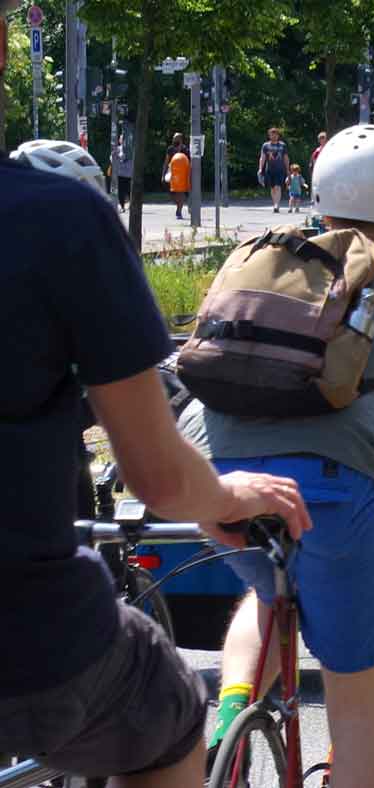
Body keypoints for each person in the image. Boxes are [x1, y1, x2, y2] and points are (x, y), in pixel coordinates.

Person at [188, 124, 374, 788]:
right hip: (332, 495)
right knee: (356, 699)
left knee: (267, 592)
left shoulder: (263, 256)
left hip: (219, 478)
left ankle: (228, 725)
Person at [2, 136, 312, 788]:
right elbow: (161, 474)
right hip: (27, 633)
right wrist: (230, 500)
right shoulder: (55, 217)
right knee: (168, 712)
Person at [257, 127, 290, 212]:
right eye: (272, 135)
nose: (274, 136)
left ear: (278, 135)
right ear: (269, 135)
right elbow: (262, 157)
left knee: (277, 186)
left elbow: (286, 158)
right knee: (272, 188)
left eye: (275, 135)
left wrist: (287, 169)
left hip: (280, 169)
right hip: (270, 170)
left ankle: (276, 205)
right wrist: (260, 168)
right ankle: (275, 203)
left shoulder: (282, 145)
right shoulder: (266, 145)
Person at [167, 138, 190, 220]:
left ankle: (179, 210)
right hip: (173, 174)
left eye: (178, 141)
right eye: (175, 140)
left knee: (182, 193)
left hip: (183, 175)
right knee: (173, 194)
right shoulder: (170, 149)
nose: (177, 142)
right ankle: (179, 207)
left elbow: (190, 162)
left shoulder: (185, 150)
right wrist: (164, 174)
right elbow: (166, 161)